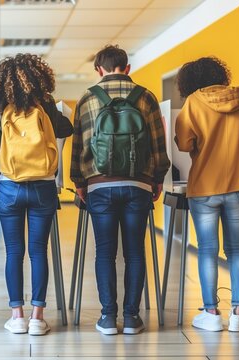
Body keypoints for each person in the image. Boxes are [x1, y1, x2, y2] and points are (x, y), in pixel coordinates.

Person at [70, 45, 170, 335]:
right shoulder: (146, 96)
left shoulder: (88, 97)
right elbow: (157, 144)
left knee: (105, 253)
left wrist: (79, 183)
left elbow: (79, 146)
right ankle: (132, 318)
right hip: (138, 184)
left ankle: (107, 317)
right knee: (135, 252)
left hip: (100, 186)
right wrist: (157, 178)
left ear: (99, 69)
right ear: (127, 68)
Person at [0, 54, 73, 336]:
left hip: (9, 187)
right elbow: (66, 129)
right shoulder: (44, 103)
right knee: (38, 251)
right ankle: (37, 318)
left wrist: (9, 168)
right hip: (43, 185)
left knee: (13, 252)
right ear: (38, 78)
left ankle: (17, 316)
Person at [175, 57, 239, 332]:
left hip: (204, 188)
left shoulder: (192, 102)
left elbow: (184, 143)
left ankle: (211, 313)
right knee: (237, 250)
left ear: (191, 81)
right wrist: (236, 154)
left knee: (207, 250)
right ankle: (238, 313)